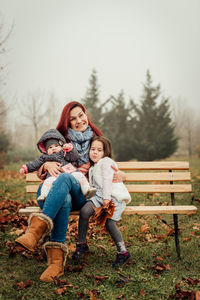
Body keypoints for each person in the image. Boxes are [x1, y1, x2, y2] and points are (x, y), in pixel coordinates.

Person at [15, 101, 126, 282]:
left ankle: (36, 232)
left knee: (67, 178)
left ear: (86, 114)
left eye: (81, 115)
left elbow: (109, 165)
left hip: (83, 194)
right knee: (64, 198)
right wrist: (46, 164)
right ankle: (55, 264)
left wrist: (121, 174)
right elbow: (42, 163)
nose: (79, 120)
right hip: (53, 192)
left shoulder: (95, 140)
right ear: (67, 122)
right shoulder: (61, 139)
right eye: (73, 118)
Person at [72, 136, 131, 267]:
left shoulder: (106, 162)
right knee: (85, 211)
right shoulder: (93, 167)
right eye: (93, 149)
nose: (95, 152)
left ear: (105, 152)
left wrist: (106, 198)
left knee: (109, 223)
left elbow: (107, 181)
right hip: (99, 196)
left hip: (114, 197)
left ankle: (123, 252)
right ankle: (81, 244)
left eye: (99, 150)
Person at [19, 128, 96, 200]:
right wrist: (25, 168)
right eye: (50, 147)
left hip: (70, 172)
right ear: (46, 150)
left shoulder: (64, 153)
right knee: (48, 182)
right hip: (54, 175)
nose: (53, 148)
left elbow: (74, 157)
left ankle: (87, 190)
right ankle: (44, 195)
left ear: (61, 146)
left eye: (56, 146)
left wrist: (70, 149)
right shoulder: (44, 157)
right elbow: (35, 164)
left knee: (79, 175)